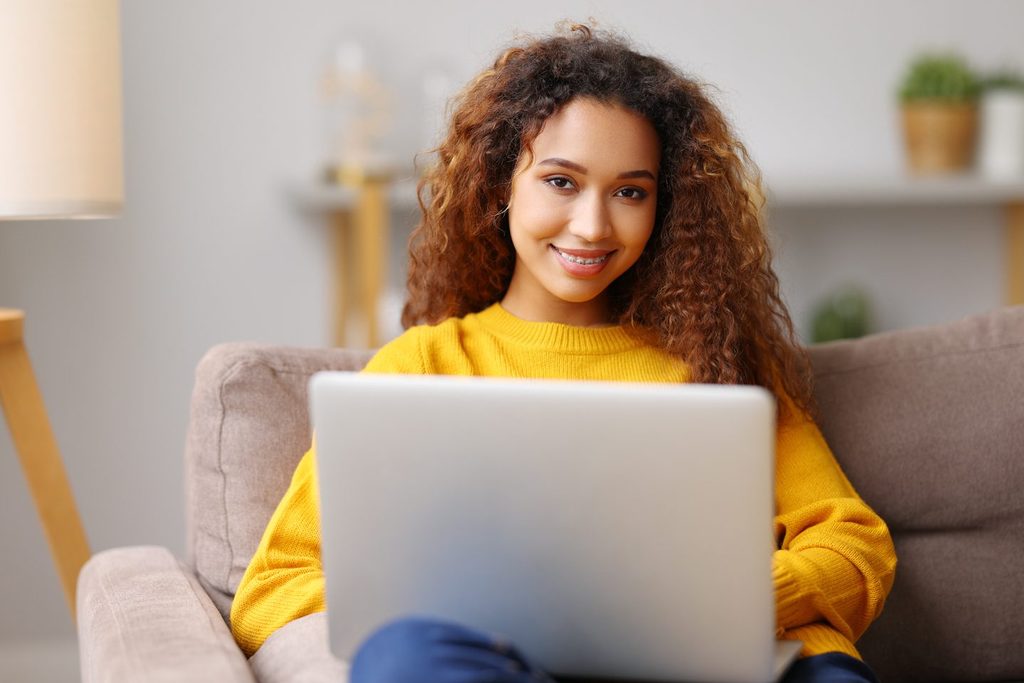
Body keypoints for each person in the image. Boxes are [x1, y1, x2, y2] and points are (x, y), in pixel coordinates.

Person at [230, 23, 897, 683]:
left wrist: (722, 601)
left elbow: (854, 546)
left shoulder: (715, 364)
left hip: (727, 662)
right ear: (501, 186)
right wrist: (499, 616)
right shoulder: (423, 365)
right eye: (561, 182)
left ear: (663, 209)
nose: (593, 225)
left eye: (630, 192)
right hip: (506, 664)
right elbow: (277, 585)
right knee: (403, 658)